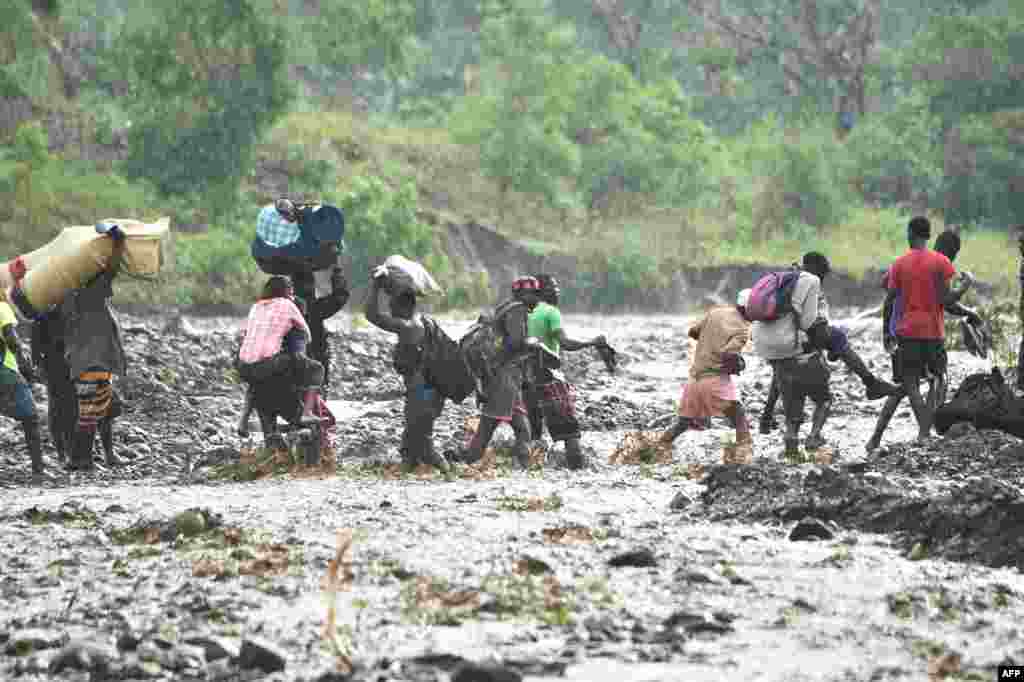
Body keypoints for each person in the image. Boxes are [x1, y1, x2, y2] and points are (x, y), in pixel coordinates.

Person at [758, 253, 899, 434]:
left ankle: (767, 416)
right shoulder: (809, 281)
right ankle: (870, 382)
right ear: (815, 268)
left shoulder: (787, 278)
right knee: (837, 338)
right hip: (795, 337)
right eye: (822, 274)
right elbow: (816, 323)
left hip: (771, 339)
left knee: (780, 370)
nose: (823, 279)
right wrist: (831, 345)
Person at [867, 226, 978, 450]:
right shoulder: (940, 265)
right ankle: (925, 432)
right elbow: (946, 302)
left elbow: (885, 285)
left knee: (903, 387)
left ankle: (876, 439)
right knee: (937, 380)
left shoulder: (907, 262)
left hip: (900, 330)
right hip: (924, 332)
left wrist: (900, 300)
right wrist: (968, 307)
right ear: (953, 253)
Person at [237, 266, 348, 436]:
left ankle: (245, 422)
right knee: (313, 383)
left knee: (256, 388)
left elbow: (244, 335)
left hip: (249, 367)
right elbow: (338, 299)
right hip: (292, 370)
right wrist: (337, 275)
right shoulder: (302, 308)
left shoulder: (258, 307)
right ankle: (305, 416)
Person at [364, 266, 450, 473]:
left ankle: (444, 468)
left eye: (393, 306)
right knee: (415, 428)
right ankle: (409, 463)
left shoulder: (408, 326)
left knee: (420, 432)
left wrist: (375, 287)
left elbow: (372, 315)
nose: (391, 310)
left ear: (403, 307)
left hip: (422, 388)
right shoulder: (424, 321)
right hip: (431, 387)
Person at [454, 276, 542, 470]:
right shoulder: (517, 310)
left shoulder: (504, 308)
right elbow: (515, 342)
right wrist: (533, 343)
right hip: (504, 376)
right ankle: (465, 462)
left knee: (520, 427)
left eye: (537, 293)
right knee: (491, 427)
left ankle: (522, 468)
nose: (536, 298)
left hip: (502, 375)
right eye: (533, 294)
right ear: (521, 294)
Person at [525, 274, 609, 470]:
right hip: (548, 378)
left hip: (524, 380)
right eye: (552, 287)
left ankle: (531, 472)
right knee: (570, 433)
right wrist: (592, 342)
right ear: (541, 291)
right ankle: (578, 473)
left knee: (532, 435)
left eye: (557, 287)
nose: (557, 291)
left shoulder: (524, 311)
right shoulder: (551, 312)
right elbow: (565, 343)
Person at [752, 254, 834, 456]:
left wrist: (768, 411)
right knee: (824, 399)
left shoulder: (783, 279)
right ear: (819, 271)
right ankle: (814, 436)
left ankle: (790, 457)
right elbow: (808, 323)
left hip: (766, 346)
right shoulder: (812, 282)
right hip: (794, 350)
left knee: (792, 417)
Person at [660, 289, 754, 460]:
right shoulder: (743, 329)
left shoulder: (715, 312)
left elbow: (693, 332)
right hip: (714, 380)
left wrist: (710, 342)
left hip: (694, 380)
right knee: (739, 416)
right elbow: (729, 355)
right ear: (750, 309)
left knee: (682, 423)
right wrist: (739, 365)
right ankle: (744, 458)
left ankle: (655, 449)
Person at [60, 263, 128, 471]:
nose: (111, 290)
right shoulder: (88, 302)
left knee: (103, 411)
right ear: (96, 284)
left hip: (96, 366)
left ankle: (94, 457)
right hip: (89, 366)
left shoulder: (90, 303)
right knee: (89, 413)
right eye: (106, 283)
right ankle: (81, 460)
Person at [0, 299, 43, 479]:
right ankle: (38, 471)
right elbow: (11, 339)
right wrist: (25, 367)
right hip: (5, 371)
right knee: (31, 417)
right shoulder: (1, 308)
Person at [31, 307, 75, 464]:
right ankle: (66, 453)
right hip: (62, 368)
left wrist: (39, 366)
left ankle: (64, 453)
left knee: (59, 410)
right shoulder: (66, 313)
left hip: (57, 367)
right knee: (66, 410)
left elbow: (35, 353)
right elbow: (35, 353)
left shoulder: (41, 316)